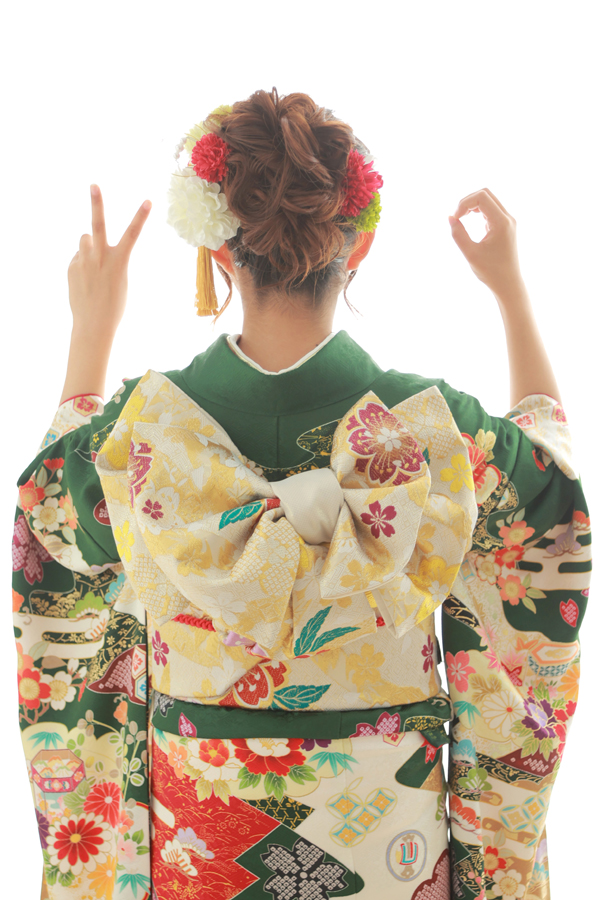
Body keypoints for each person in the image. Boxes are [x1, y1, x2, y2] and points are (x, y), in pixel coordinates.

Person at [13, 88, 589, 900]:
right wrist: (512, 292)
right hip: (391, 850)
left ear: (218, 250)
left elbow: (50, 523)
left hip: (200, 847)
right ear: (359, 246)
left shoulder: (149, 434)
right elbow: (548, 506)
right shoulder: (429, 430)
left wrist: (90, 334)